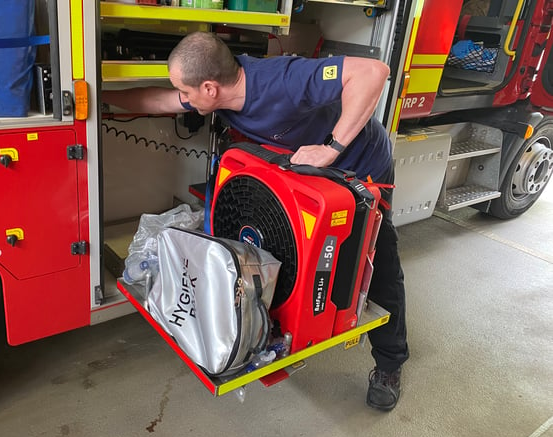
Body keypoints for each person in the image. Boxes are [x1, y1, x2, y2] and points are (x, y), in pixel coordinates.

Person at [103, 31, 409, 411]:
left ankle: (390, 363)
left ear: (210, 88)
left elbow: (373, 72)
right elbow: (159, 99)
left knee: (377, 263)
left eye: (185, 88)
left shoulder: (281, 80)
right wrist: (102, 99)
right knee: (279, 244)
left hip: (359, 169)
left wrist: (332, 149)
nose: (181, 95)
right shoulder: (221, 91)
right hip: (300, 173)